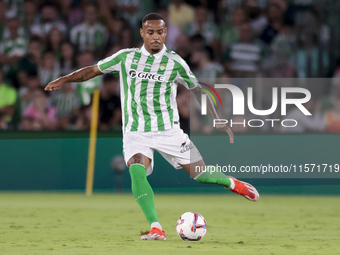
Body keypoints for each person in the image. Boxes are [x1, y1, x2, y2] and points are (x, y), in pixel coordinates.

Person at [44, 13, 259, 241]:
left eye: (160, 32)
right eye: (151, 32)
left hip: (169, 131)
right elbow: (92, 70)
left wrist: (217, 118)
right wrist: (64, 79)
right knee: (136, 167)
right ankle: (156, 227)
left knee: (201, 174)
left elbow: (198, 89)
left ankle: (233, 183)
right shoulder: (126, 57)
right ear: (142, 33)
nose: (156, 37)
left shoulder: (175, 62)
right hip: (136, 131)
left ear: (165, 33)